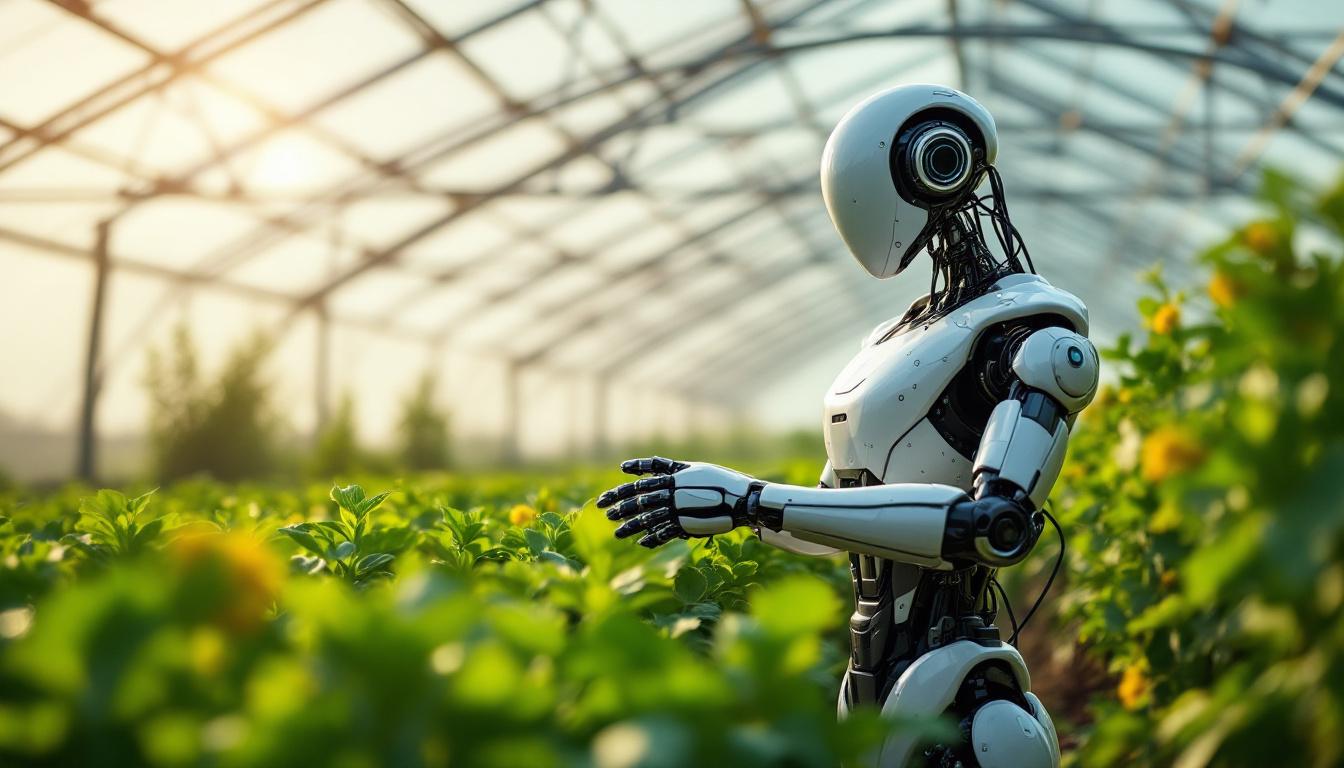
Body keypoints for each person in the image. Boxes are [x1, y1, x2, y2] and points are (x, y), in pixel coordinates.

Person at [596, 84, 1097, 768]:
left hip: (961, 680)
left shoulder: (1029, 335)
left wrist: (752, 500)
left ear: (935, 165)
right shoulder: (896, 339)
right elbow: (831, 522)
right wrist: (730, 505)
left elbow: (992, 526)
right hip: (873, 671)